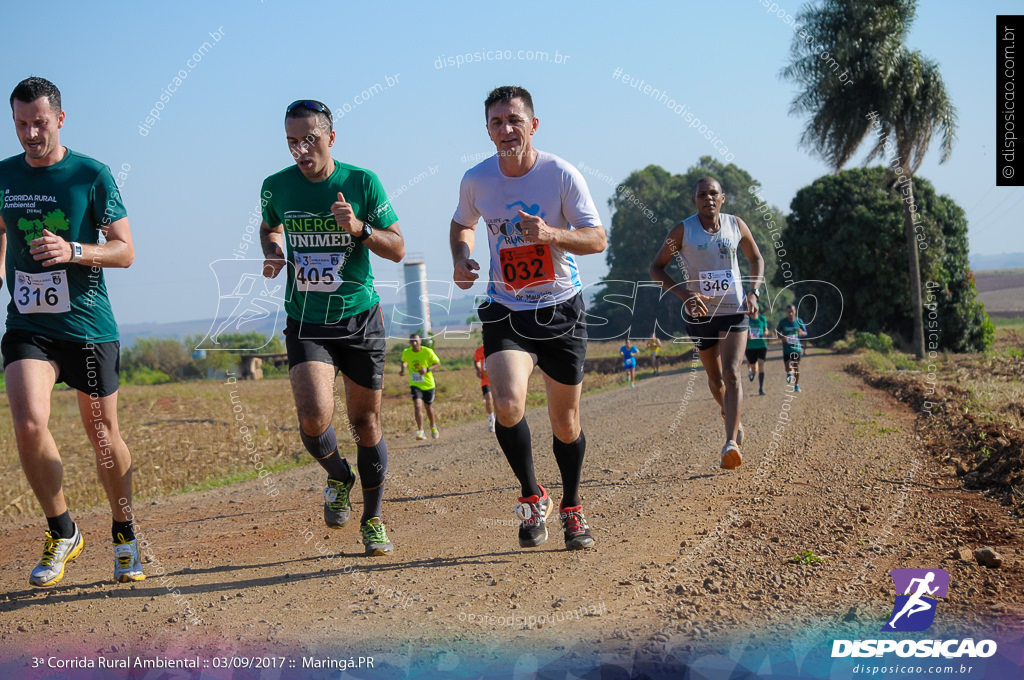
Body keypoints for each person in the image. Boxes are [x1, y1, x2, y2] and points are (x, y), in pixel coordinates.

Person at [1, 77, 144, 586]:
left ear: (60, 119)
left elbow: (125, 250)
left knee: (102, 434)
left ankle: (124, 533)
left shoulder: (91, 175)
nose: (30, 133)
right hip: (28, 325)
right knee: (29, 423)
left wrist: (75, 250)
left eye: (39, 122)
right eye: (20, 123)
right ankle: (63, 531)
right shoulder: (3, 176)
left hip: (86, 324)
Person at [450, 85, 606, 550]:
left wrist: (552, 233)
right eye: (497, 123)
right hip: (506, 308)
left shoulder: (561, 174)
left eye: (514, 120)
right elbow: (463, 223)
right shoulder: (477, 179)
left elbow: (597, 239)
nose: (506, 130)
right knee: (508, 404)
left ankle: (573, 508)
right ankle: (532, 495)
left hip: (560, 308)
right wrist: (461, 257)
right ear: (488, 130)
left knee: (566, 423)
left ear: (533, 125)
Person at [260, 98, 405, 556]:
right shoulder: (275, 186)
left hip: (360, 317)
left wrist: (359, 228)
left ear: (330, 137)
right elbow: (269, 226)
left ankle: (374, 519)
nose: (300, 150)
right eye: (291, 141)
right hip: (306, 320)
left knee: (365, 422)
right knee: (313, 417)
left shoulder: (362, 182)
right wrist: (273, 250)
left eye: (308, 139)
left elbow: (398, 248)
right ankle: (340, 476)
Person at [649, 177, 764, 470]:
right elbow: (656, 268)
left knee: (732, 373)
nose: (708, 199)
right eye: (702, 194)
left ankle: (730, 444)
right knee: (715, 381)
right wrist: (684, 293)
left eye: (713, 194)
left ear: (722, 198)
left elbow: (756, 260)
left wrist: (753, 292)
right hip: (700, 315)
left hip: (735, 310)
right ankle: (730, 415)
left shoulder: (736, 225)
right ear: (694, 200)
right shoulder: (683, 230)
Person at [400, 333, 441, 440]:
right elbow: (404, 361)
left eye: (415, 341)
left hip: (428, 384)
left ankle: (433, 427)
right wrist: (403, 368)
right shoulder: (406, 352)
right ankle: (421, 431)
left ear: (420, 341)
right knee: (417, 405)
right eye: (411, 341)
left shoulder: (427, 351)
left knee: (428, 407)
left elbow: (438, 363)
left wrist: (427, 370)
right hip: (415, 384)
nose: (413, 343)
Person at [776, 304, 808, 393]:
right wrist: (783, 338)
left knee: (797, 367)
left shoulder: (799, 321)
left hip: (797, 348)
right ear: (786, 312)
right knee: (788, 366)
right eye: (788, 312)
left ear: (795, 311)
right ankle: (789, 373)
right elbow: (777, 333)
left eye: (792, 312)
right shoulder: (783, 322)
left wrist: (802, 333)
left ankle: (796, 385)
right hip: (787, 348)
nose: (790, 314)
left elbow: (805, 333)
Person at [745, 307, 769, 396]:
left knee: (761, 365)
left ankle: (761, 389)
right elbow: (742, 332)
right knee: (754, 369)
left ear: (758, 309)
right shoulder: (747, 319)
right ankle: (751, 372)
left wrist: (766, 333)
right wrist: (747, 336)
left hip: (761, 345)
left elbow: (766, 330)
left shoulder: (762, 319)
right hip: (750, 347)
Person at [474, 343, 496, 432]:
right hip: (485, 380)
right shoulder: (480, 350)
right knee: (488, 399)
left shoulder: (495, 347)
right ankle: (492, 419)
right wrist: (478, 370)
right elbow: (476, 360)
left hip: (497, 379)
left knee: (499, 400)